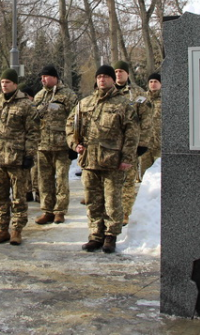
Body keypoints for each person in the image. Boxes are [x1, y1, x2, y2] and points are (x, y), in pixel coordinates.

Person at [66, 65, 139, 253]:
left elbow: (132, 133)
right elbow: (70, 125)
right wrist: (75, 144)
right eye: (99, 76)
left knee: (112, 201)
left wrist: (127, 158)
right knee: (92, 200)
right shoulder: (85, 103)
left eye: (106, 76)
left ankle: (110, 235)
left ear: (112, 80)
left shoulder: (124, 104)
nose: (102, 80)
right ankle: (95, 235)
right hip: (89, 161)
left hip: (112, 161)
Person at [0, 69, 38, 245]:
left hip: (17, 159)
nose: (4, 85)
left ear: (15, 84)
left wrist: (29, 155)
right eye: (3, 82)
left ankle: (17, 230)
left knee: (19, 197)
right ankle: (2, 229)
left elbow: (33, 132)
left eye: (8, 82)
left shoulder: (26, 105)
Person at [33, 65, 78, 225]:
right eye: (41, 77)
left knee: (61, 180)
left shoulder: (68, 95)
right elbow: (33, 120)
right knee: (44, 181)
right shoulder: (39, 96)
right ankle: (47, 210)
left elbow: (76, 120)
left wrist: (74, 143)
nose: (43, 80)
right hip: (42, 146)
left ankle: (60, 211)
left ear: (55, 77)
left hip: (61, 146)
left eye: (46, 76)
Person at [113, 60, 152, 226]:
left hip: (131, 144)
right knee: (111, 181)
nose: (118, 74)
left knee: (128, 181)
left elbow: (147, 119)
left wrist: (143, 143)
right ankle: (112, 211)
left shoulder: (138, 93)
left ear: (127, 73)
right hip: (110, 145)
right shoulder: (108, 92)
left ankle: (125, 213)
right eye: (116, 71)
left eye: (121, 71)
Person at [138, 72, 161, 184]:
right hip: (145, 143)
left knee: (160, 174)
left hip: (160, 143)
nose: (153, 84)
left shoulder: (166, 99)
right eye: (151, 82)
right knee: (145, 175)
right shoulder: (142, 99)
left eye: (155, 82)